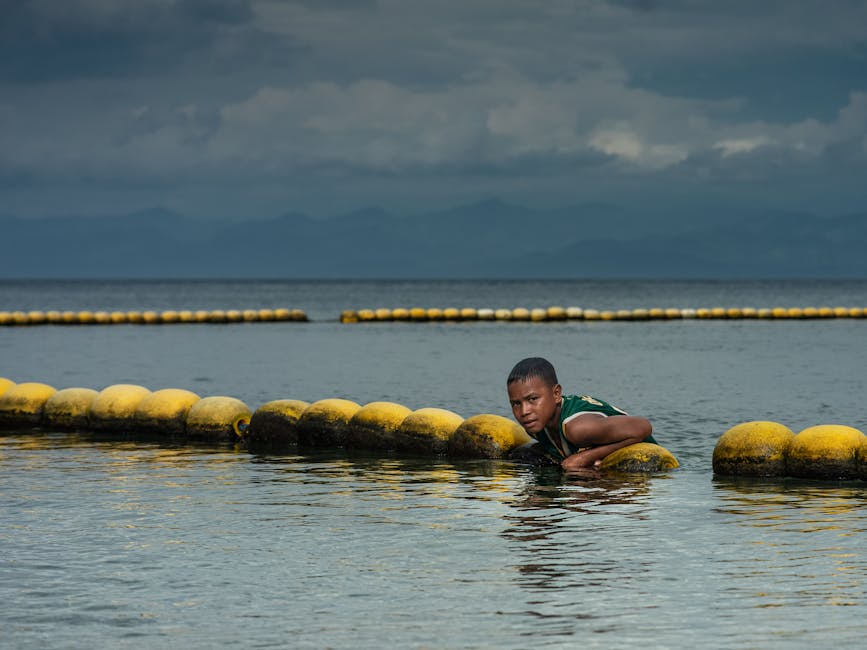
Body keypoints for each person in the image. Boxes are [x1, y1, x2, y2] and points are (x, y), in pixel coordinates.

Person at [507, 357, 655, 471]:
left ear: (556, 394)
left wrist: (585, 457)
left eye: (533, 399)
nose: (524, 411)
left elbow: (644, 427)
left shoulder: (577, 428)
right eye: (516, 403)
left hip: (648, 469)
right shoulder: (535, 424)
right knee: (522, 455)